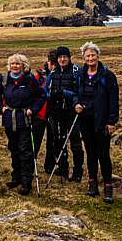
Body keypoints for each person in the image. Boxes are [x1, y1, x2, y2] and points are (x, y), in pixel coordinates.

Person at [71, 42, 119, 203]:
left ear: (98, 56)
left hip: (102, 121)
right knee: (90, 153)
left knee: (103, 154)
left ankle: (107, 187)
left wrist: (112, 121)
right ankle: (92, 184)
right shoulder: (80, 76)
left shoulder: (108, 76)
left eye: (93, 55)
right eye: (87, 56)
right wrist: (76, 104)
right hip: (85, 120)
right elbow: (75, 94)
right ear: (83, 58)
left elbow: (114, 100)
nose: (90, 58)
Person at [1, 54, 45, 195]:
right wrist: (0, 107)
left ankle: (26, 181)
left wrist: (33, 109)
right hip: (10, 119)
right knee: (13, 149)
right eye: (12, 63)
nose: (14, 66)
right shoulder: (5, 79)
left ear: (23, 66)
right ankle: (16, 177)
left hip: (25, 120)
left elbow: (41, 95)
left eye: (17, 64)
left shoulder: (29, 79)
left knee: (25, 150)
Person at [45, 46, 83, 181]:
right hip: (56, 112)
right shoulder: (53, 73)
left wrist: (65, 94)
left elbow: (80, 92)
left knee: (75, 141)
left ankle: (78, 170)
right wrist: (51, 95)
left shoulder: (76, 72)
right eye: (60, 57)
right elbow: (46, 91)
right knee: (58, 140)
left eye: (65, 57)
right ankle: (63, 167)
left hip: (71, 112)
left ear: (69, 58)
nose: (62, 59)